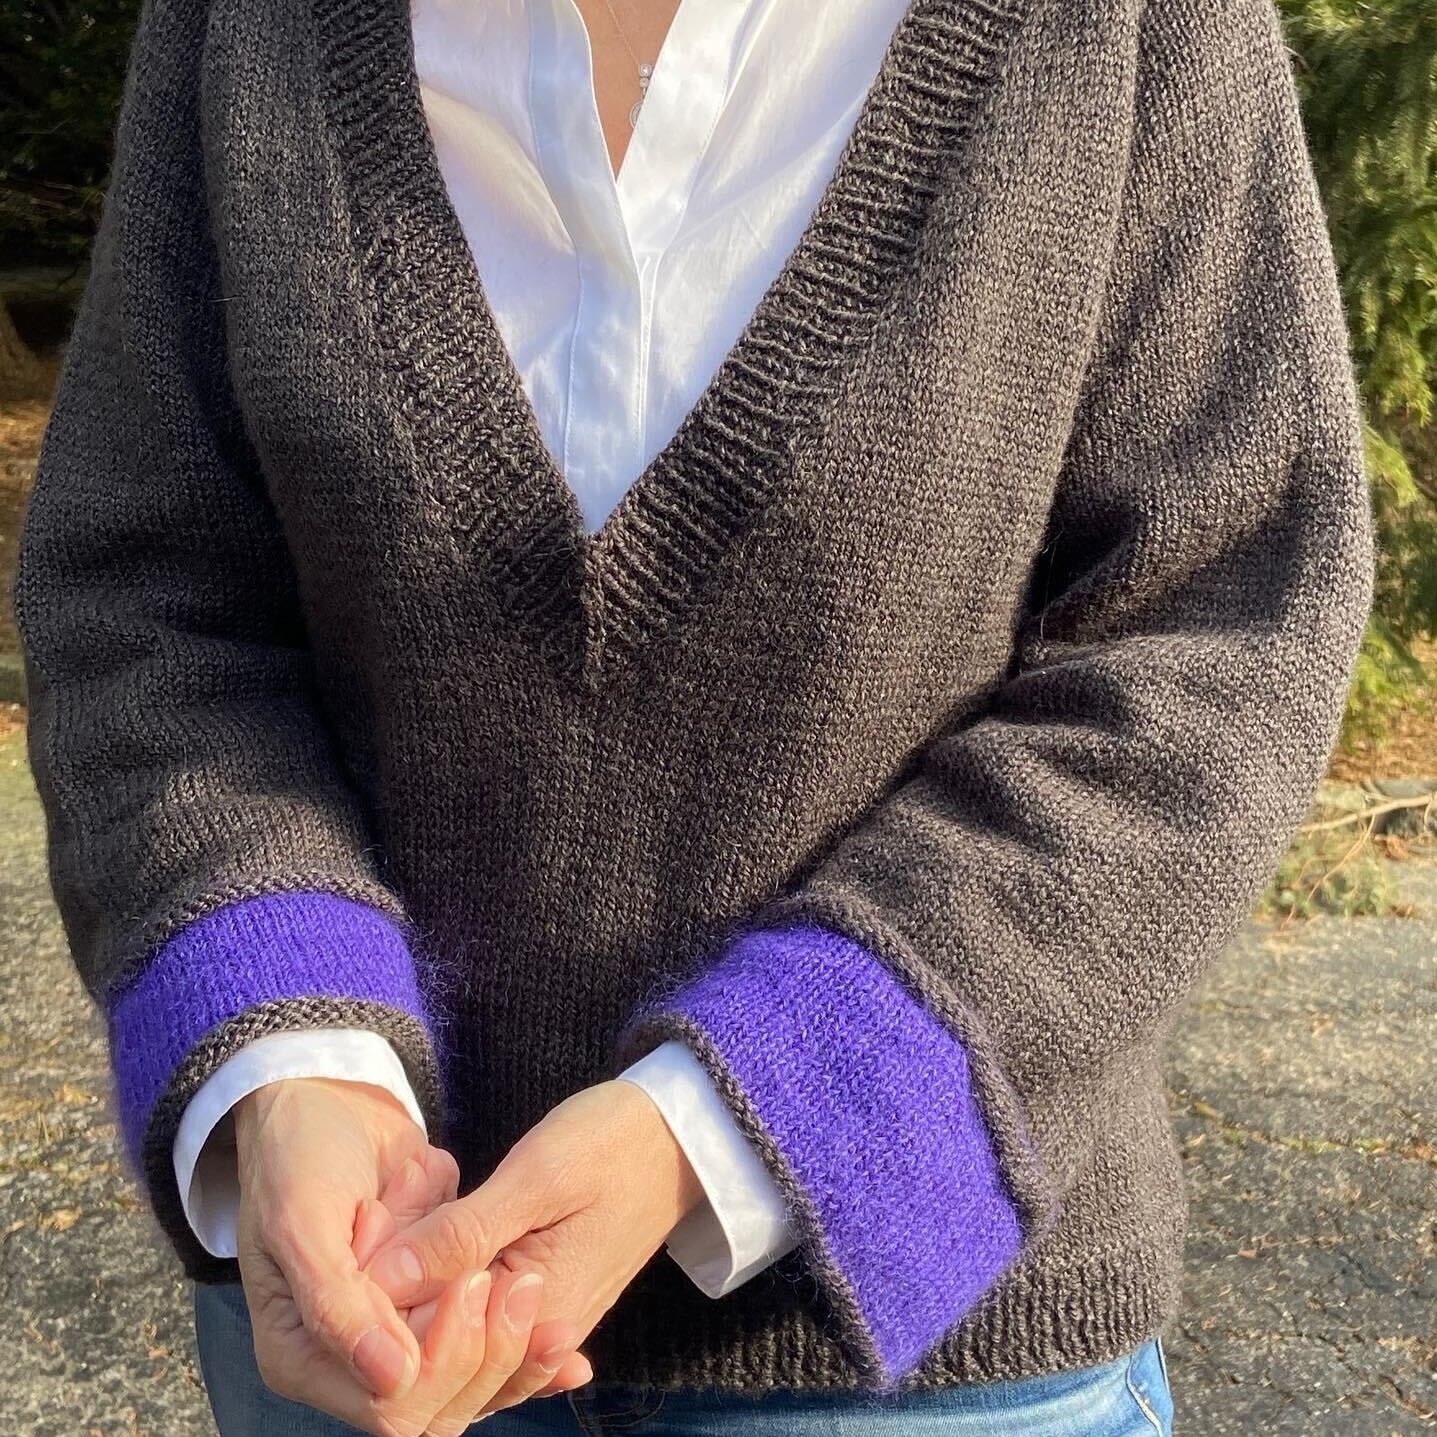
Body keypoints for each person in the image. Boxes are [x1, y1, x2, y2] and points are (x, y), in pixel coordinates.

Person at [13, 0, 1375, 1427]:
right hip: (362, 1319)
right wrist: (290, 1056)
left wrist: (749, 1110)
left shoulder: (1128, 31)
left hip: (912, 1364)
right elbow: (145, 598)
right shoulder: (245, 30)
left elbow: (1219, 626)